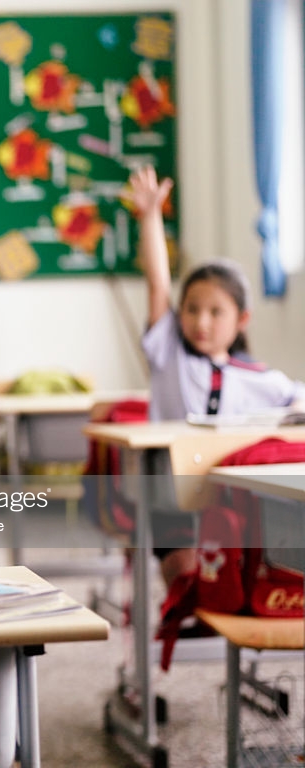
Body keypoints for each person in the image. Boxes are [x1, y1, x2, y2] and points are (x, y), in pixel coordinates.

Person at [129, 165, 305, 587]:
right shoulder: (170, 355)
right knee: (189, 578)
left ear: (241, 319)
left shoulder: (259, 377)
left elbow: (298, 401)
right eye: (191, 309)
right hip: (174, 501)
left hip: (236, 506)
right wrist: (150, 218)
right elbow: (157, 287)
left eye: (215, 312)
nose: (200, 322)